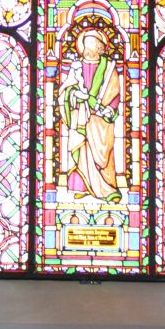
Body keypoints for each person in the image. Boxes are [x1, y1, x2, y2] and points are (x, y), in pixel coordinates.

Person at [57, 28, 127, 201]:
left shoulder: (109, 68)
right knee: (82, 148)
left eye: (92, 43)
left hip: (100, 119)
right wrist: (75, 94)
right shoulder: (76, 67)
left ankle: (107, 188)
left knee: (103, 153)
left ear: (100, 47)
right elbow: (66, 89)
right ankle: (82, 186)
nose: (88, 47)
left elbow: (114, 92)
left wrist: (107, 108)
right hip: (81, 114)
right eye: (86, 43)